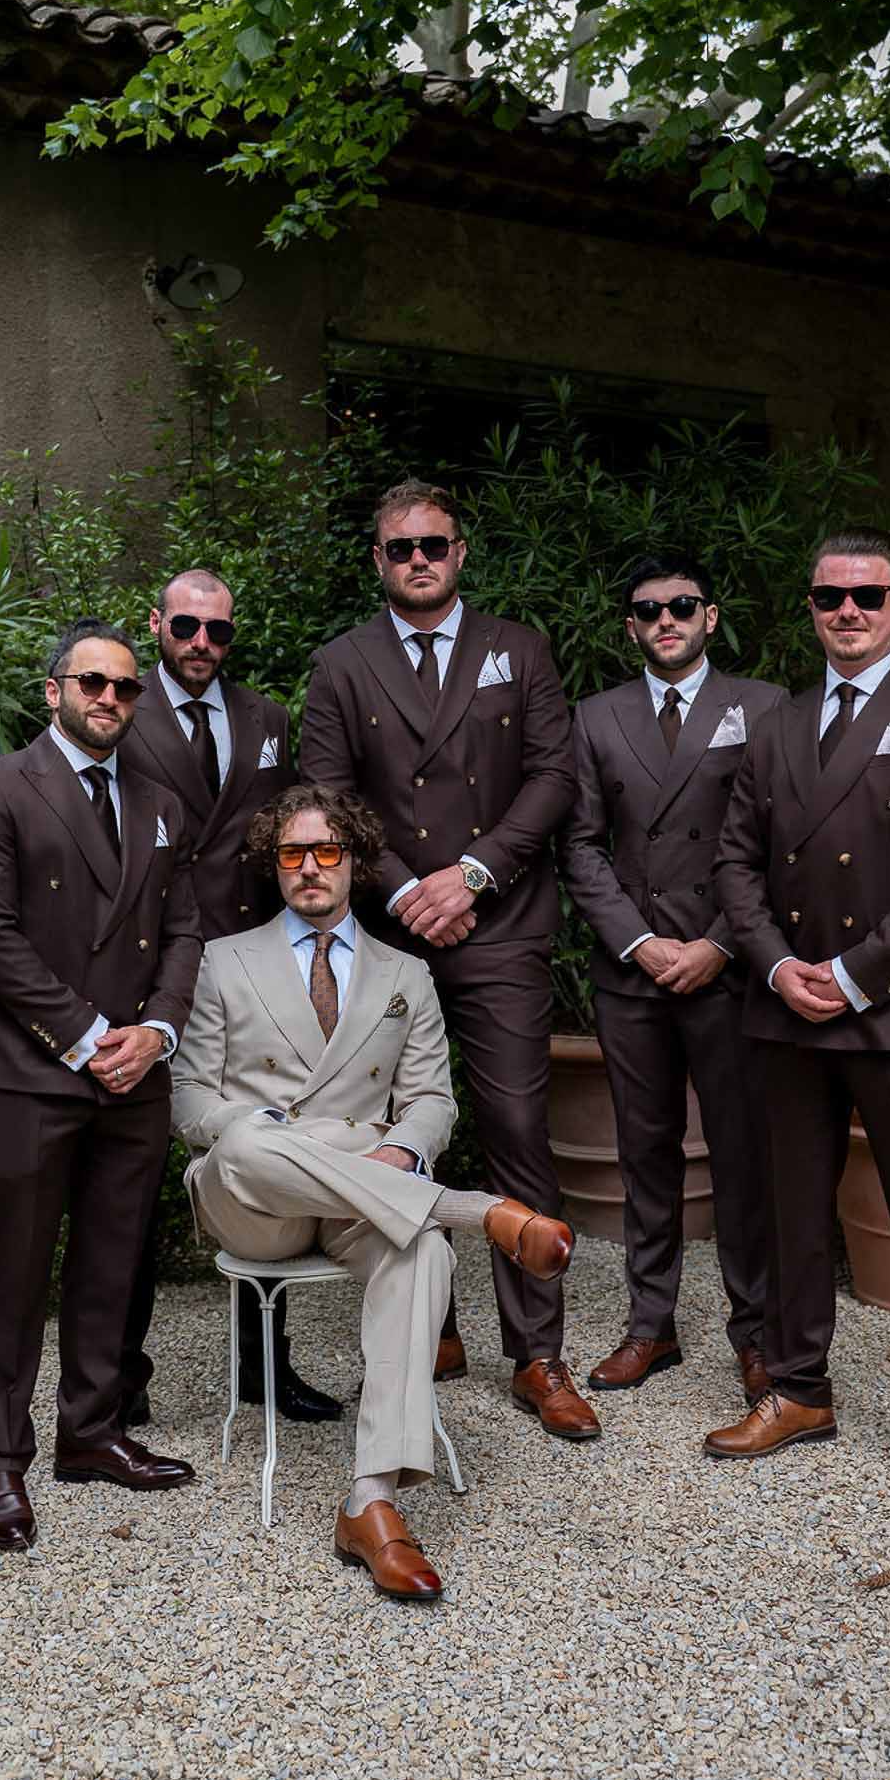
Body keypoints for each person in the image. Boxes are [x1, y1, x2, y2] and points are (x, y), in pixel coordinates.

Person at [172, 784, 574, 1601]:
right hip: (255, 1204)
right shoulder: (224, 959)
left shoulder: (406, 972)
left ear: (354, 861)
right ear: (273, 865)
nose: (311, 868)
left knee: (419, 1245)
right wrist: (301, 1137)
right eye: (293, 854)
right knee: (248, 1138)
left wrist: (398, 1147)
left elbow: (430, 1099)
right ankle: (473, 1208)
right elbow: (190, 1105)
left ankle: (371, 1501)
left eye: (328, 852)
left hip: (366, 1198)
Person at [299, 479, 595, 1442]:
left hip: (499, 920)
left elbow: (555, 775)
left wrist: (469, 875)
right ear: (375, 560)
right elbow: (327, 798)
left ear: (460, 553)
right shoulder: (341, 664)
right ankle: (430, 1327)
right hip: (386, 929)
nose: (417, 558)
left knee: (513, 1121)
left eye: (433, 544)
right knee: (392, 1131)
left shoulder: (521, 649)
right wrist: (404, 892)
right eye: (398, 548)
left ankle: (537, 1355)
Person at [708, 528, 890, 1515]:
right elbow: (733, 862)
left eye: (868, 596)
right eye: (830, 596)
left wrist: (854, 968)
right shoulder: (774, 724)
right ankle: (797, 1389)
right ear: (810, 606)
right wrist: (780, 962)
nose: (848, 612)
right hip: (787, 1009)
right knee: (793, 1210)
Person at [0, 618, 203, 1552]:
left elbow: (183, 929)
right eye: (91, 683)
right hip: (34, 1069)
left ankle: (91, 1433)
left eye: (126, 688)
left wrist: (158, 1030)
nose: (109, 699)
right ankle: (1, 1462)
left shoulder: (163, 798)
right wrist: (90, 1034)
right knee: (16, 1272)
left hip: (135, 1069)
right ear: (51, 691)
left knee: (111, 1262)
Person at [117, 568, 340, 1427]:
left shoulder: (266, 719)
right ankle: (116, 1382)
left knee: (263, 1174)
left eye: (218, 632)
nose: (201, 645)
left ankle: (262, 1366)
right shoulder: (117, 708)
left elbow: (287, 840)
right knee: (132, 1184)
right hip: (150, 971)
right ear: (157, 626)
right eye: (185, 627)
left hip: (251, 976)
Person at [561, 551, 784, 1401]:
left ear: (710, 617)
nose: (666, 621)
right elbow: (578, 845)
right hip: (634, 971)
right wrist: (638, 942)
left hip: (726, 969)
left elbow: (777, 841)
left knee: (740, 1153)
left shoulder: (762, 707)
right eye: (648, 610)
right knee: (642, 1152)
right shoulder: (595, 716)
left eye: (681, 606)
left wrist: (721, 943)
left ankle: (755, 1333)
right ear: (630, 626)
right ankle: (649, 1327)